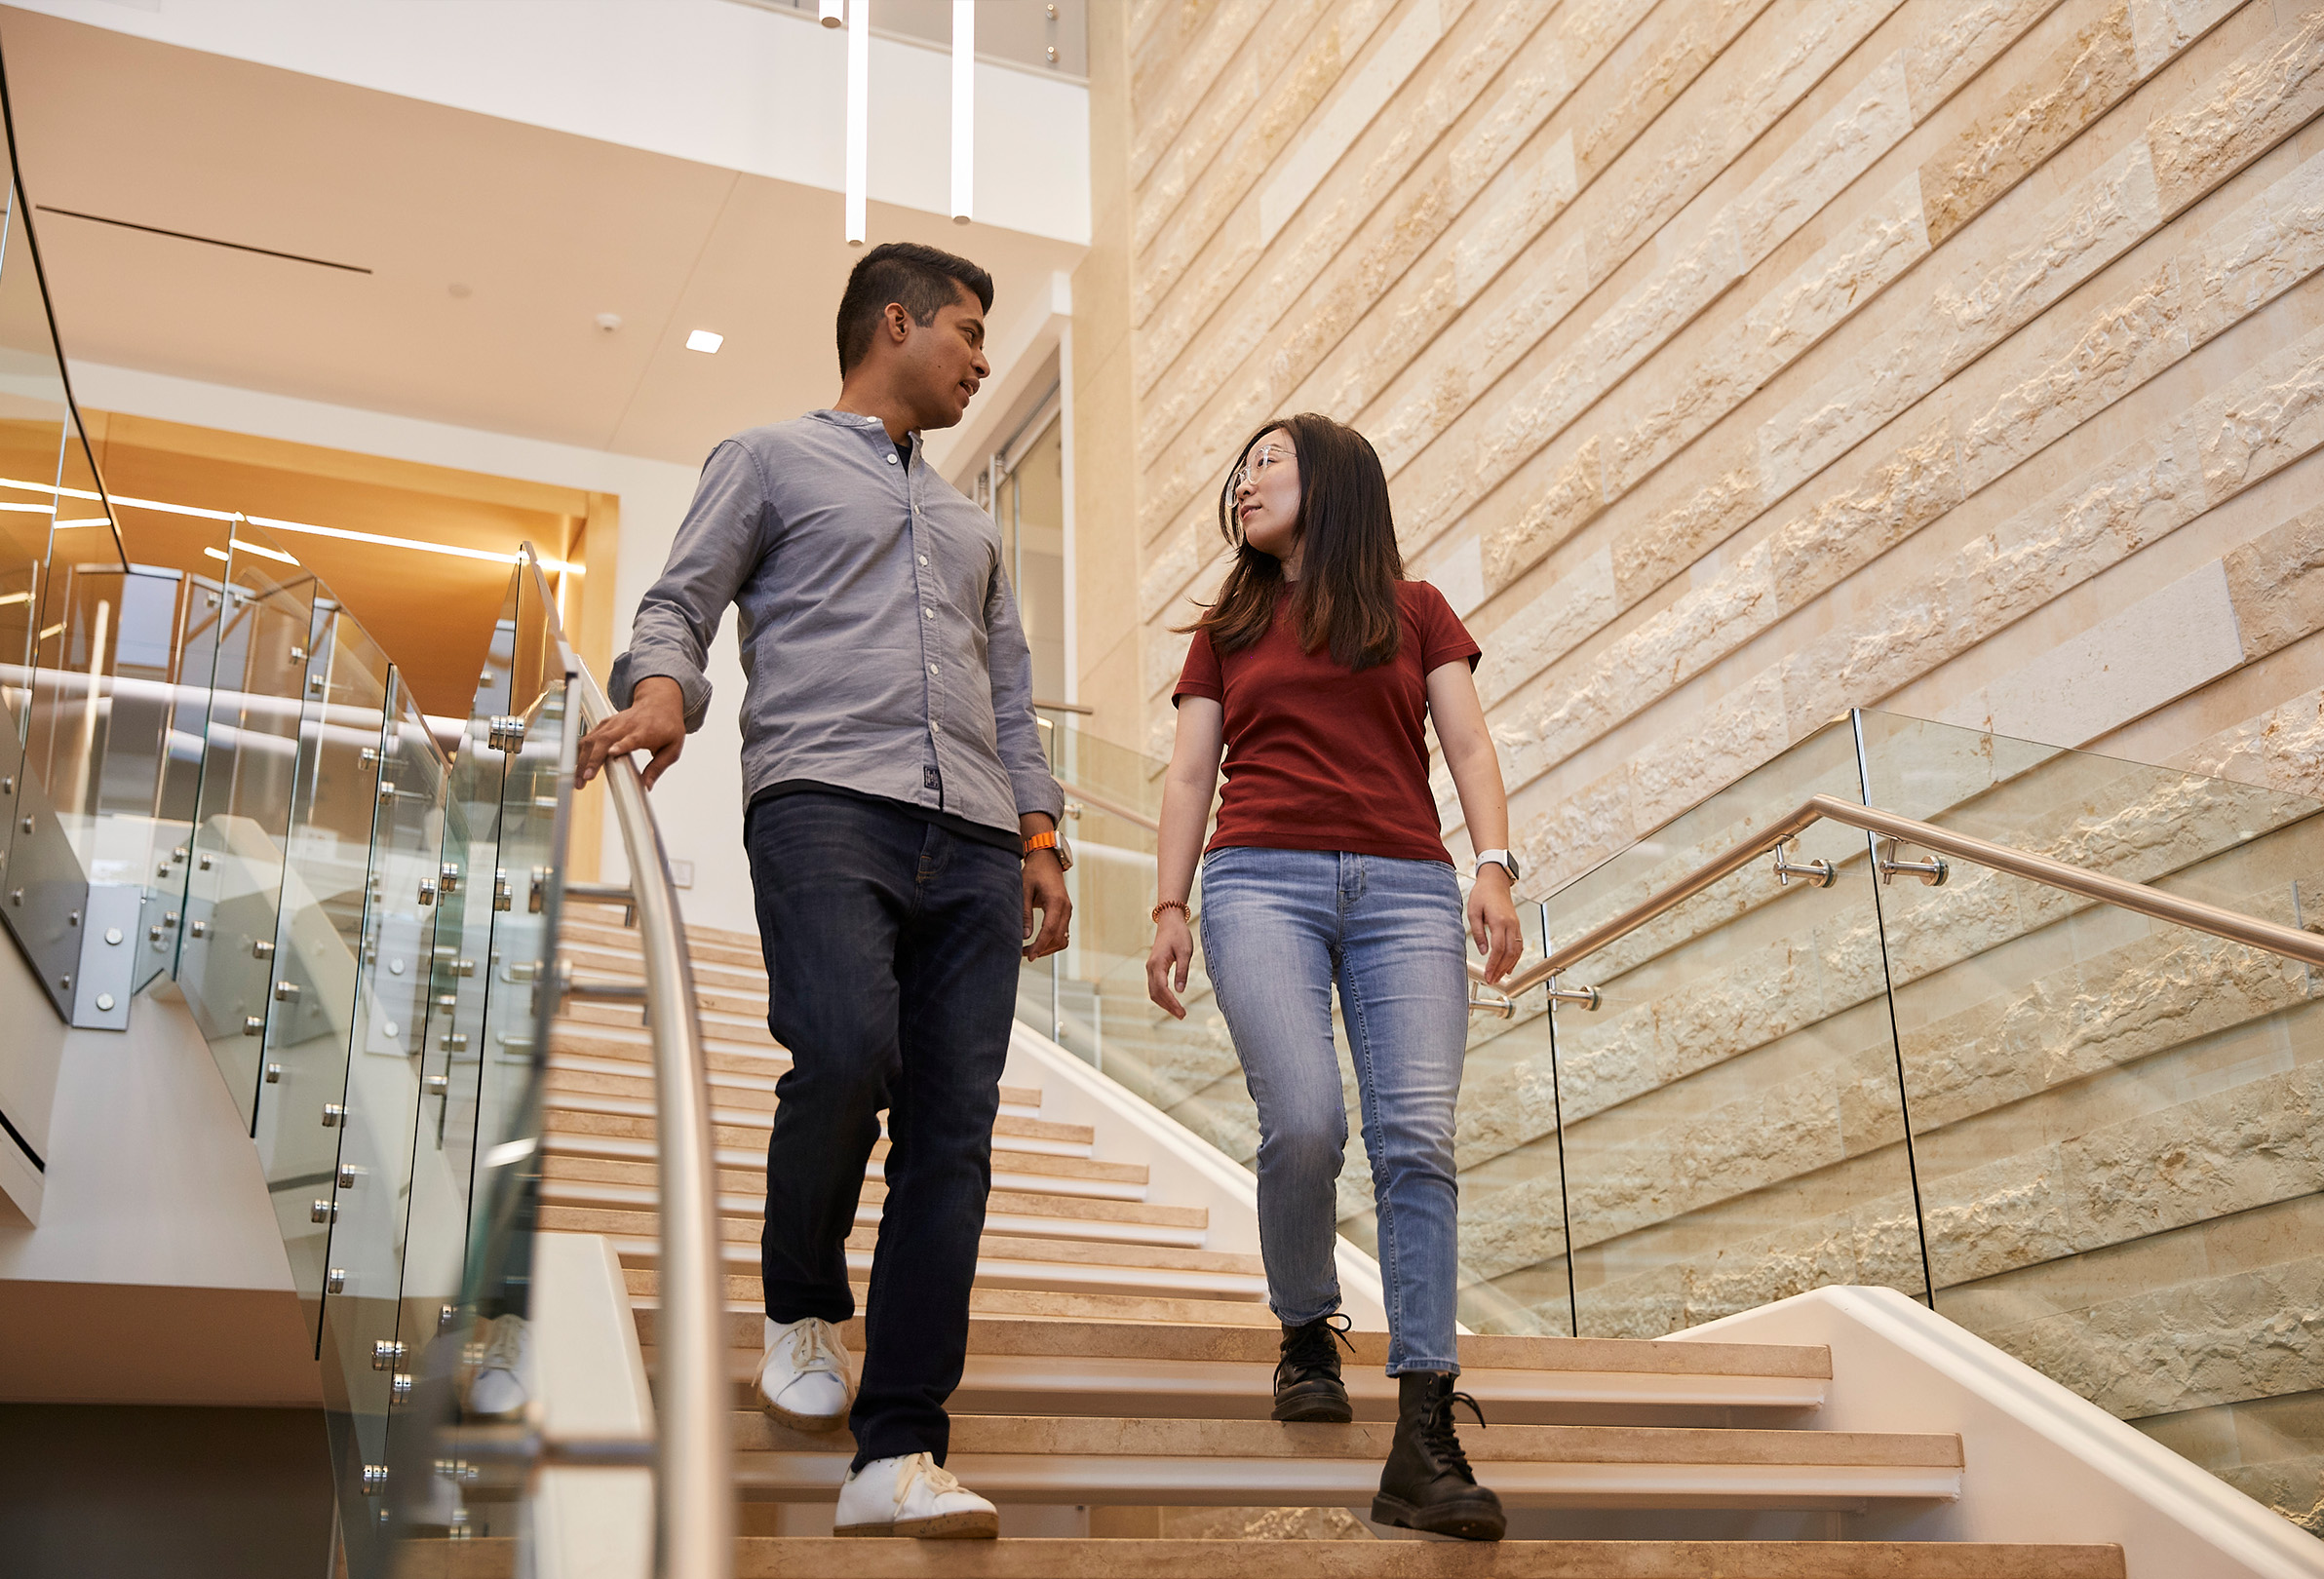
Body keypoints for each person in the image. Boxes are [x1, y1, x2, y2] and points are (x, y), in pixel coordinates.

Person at [574, 241, 1071, 1542]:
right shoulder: (766, 459)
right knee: (845, 1049)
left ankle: (898, 1449)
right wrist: (665, 689)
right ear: (891, 325)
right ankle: (802, 1296)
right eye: (965, 331)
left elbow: (1011, 695)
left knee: (951, 1141)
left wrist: (1039, 835)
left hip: (970, 840)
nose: (978, 357)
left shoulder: (969, 522)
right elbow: (682, 598)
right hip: (822, 805)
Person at [1144, 412, 1522, 1542]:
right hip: (1257, 880)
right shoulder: (1226, 626)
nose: (1245, 480)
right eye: (1242, 467)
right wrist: (1167, 903)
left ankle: (1421, 1433)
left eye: (1270, 461)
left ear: (1337, 483)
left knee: (1416, 1137)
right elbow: (1185, 776)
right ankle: (1307, 1326)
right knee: (1304, 1120)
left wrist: (1492, 865)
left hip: (1406, 888)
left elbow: (1467, 748)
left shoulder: (1413, 610)